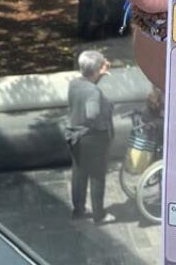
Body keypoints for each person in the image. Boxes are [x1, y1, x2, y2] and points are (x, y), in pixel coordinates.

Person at [66, 49, 115, 223]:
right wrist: (100, 125)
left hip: (74, 136)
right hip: (92, 138)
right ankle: (99, 215)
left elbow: (89, 83)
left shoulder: (74, 84)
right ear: (96, 70)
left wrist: (101, 72)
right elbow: (92, 114)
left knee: (79, 174)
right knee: (97, 176)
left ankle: (78, 210)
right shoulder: (93, 92)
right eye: (102, 64)